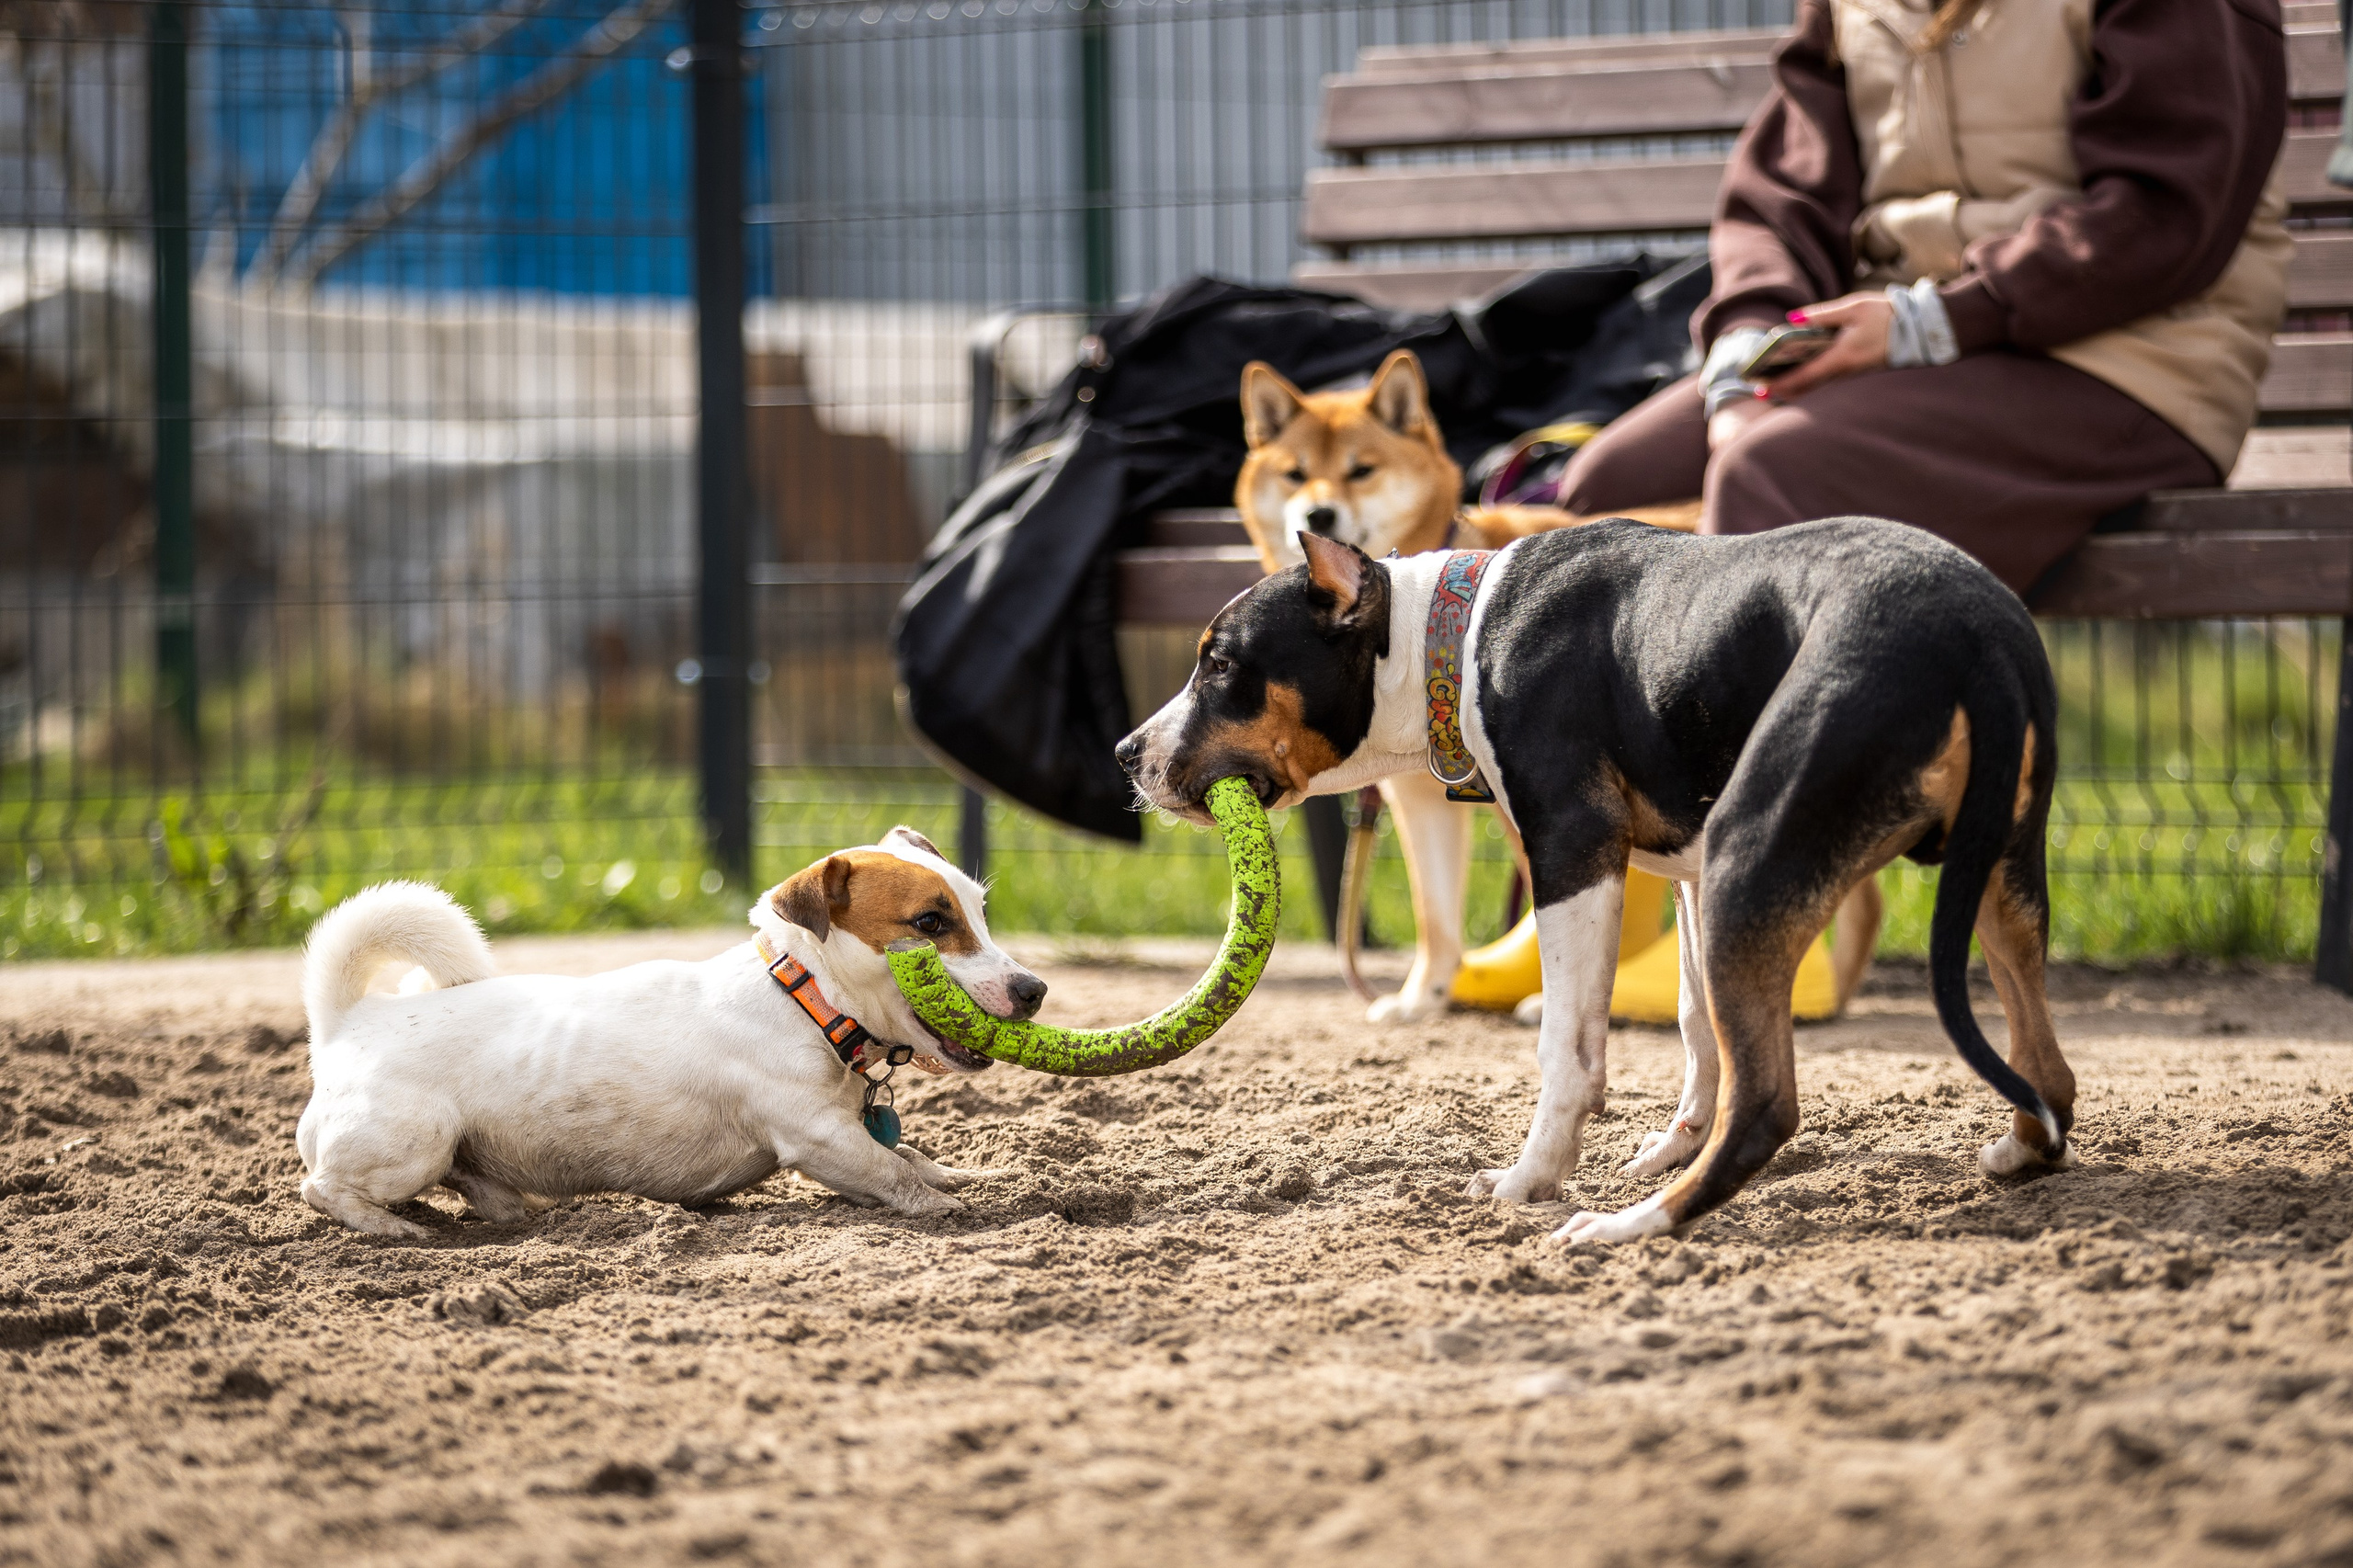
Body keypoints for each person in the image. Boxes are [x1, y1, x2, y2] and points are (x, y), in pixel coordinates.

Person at [1558, 0, 2291, 596]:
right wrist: (1742, 360)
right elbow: (1784, 199)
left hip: (2133, 364)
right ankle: (1634, 778)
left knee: (1777, 475)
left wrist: (1934, 320)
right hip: (1897, 349)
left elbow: (2163, 215)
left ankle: (1780, 775)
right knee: (1603, 495)